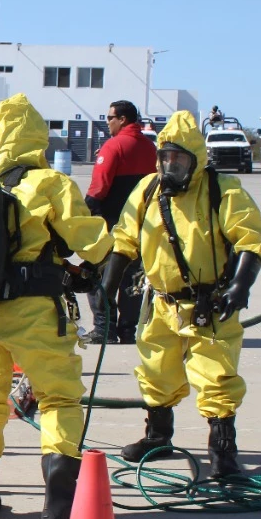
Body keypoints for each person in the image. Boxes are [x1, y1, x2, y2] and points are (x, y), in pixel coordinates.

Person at [0, 94, 113, 519]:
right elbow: (94, 245)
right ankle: (59, 498)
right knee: (58, 397)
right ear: (37, 139)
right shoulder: (50, 183)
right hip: (35, 312)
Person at [102, 110, 261, 478]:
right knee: (156, 371)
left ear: (197, 159)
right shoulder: (147, 190)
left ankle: (222, 451)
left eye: (179, 158)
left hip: (208, 304)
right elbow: (124, 240)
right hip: (160, 302)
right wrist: (107, 285)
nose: (170, 166)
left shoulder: (222, 190)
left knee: (216, 376)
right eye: (165, 158)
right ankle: (158, 436)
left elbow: (249, 240)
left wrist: (240, 285)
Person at [83, 100, 156, 343]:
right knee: (132, 277)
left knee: (97, 273)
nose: (107, 122)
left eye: (110, 117)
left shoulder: (113, 146)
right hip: (142, 225)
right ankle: (127, 329)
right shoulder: (150, 148)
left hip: (112, 223)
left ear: (123, 119)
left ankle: (104, 328)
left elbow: (99, 188)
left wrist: (84, 214)